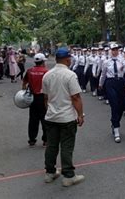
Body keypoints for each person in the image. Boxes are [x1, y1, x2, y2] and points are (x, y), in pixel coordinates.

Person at [42, 47, 85, 187]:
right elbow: (76, 97)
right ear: (67, 59)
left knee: (51, 145)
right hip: (66, 117)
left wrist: (50, 111)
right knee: (66, 146)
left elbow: (45, 98)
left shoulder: (47, 75)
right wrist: (80, 115)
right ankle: (68, 176)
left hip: (51, 116)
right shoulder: (70, 75)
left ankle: (50, 172)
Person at [99, 44, 125, 143]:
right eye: (113, 50)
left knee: (121, 106)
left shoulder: (121, 59)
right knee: (114, 105)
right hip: (110, 83)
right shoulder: (106, 62)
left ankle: (115, 123)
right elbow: (103, 74)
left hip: (120, 83)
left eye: (116, 50)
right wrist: (101, 84)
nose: (115, 51)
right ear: (110, 51)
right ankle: (116, 129)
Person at [22, 53, 49, 147]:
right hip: (43, 98)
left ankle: (32, 140)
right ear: (43, 62)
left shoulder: (30, 71)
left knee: (33, 119)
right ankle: (46, 140)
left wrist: (23, 93)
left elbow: (24, 82)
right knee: (45, 119)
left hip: (32, 98)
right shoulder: (46, 72)